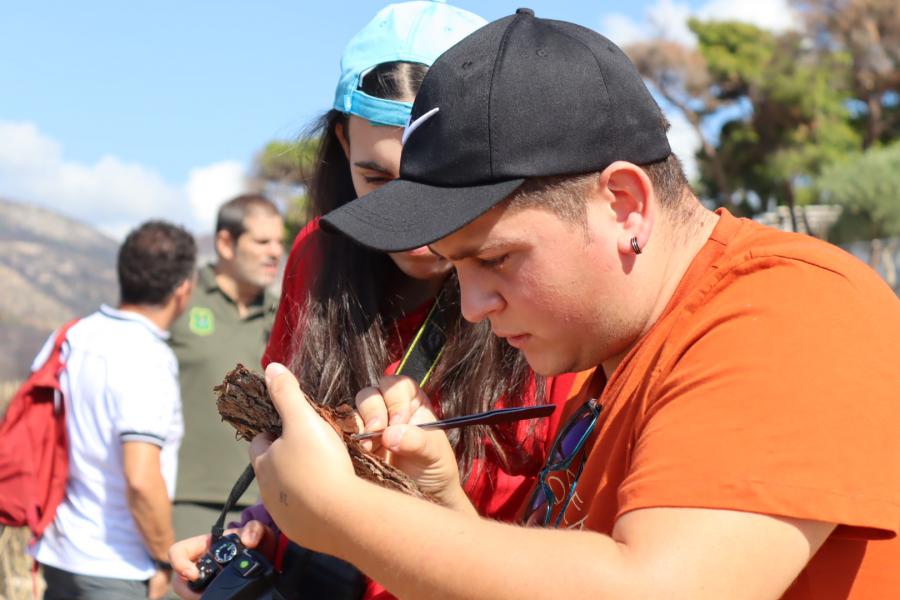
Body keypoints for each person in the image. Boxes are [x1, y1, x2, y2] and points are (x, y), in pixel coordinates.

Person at [173, 8, 900, 600]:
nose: (474, 304)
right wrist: (439, 505)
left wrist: (344, 511)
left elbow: (659, 590)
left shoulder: (790, 308)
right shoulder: (609, 358)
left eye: (494, 259)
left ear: (622, 204)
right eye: (455, 266)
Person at [171, 3, 574, 599]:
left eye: (440, 180)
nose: (412, 225)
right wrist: (260, 529)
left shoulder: (561, 288)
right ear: (341, 139)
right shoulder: (316, 255)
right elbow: (294, 449)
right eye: (377, 179)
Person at [34, 221, 196, 600]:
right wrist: (163, 557)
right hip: (115, 566)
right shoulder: (148, 357)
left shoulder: (71, 336)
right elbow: (140, 477)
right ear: (183, 290)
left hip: (60, 553)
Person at [168, 193, 283, 541]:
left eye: (280, 241)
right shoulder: (178, 302)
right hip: (184, 501)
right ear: (225, 243)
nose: (276, 252)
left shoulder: (286, 314)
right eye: (262, 241)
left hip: (266, 505)